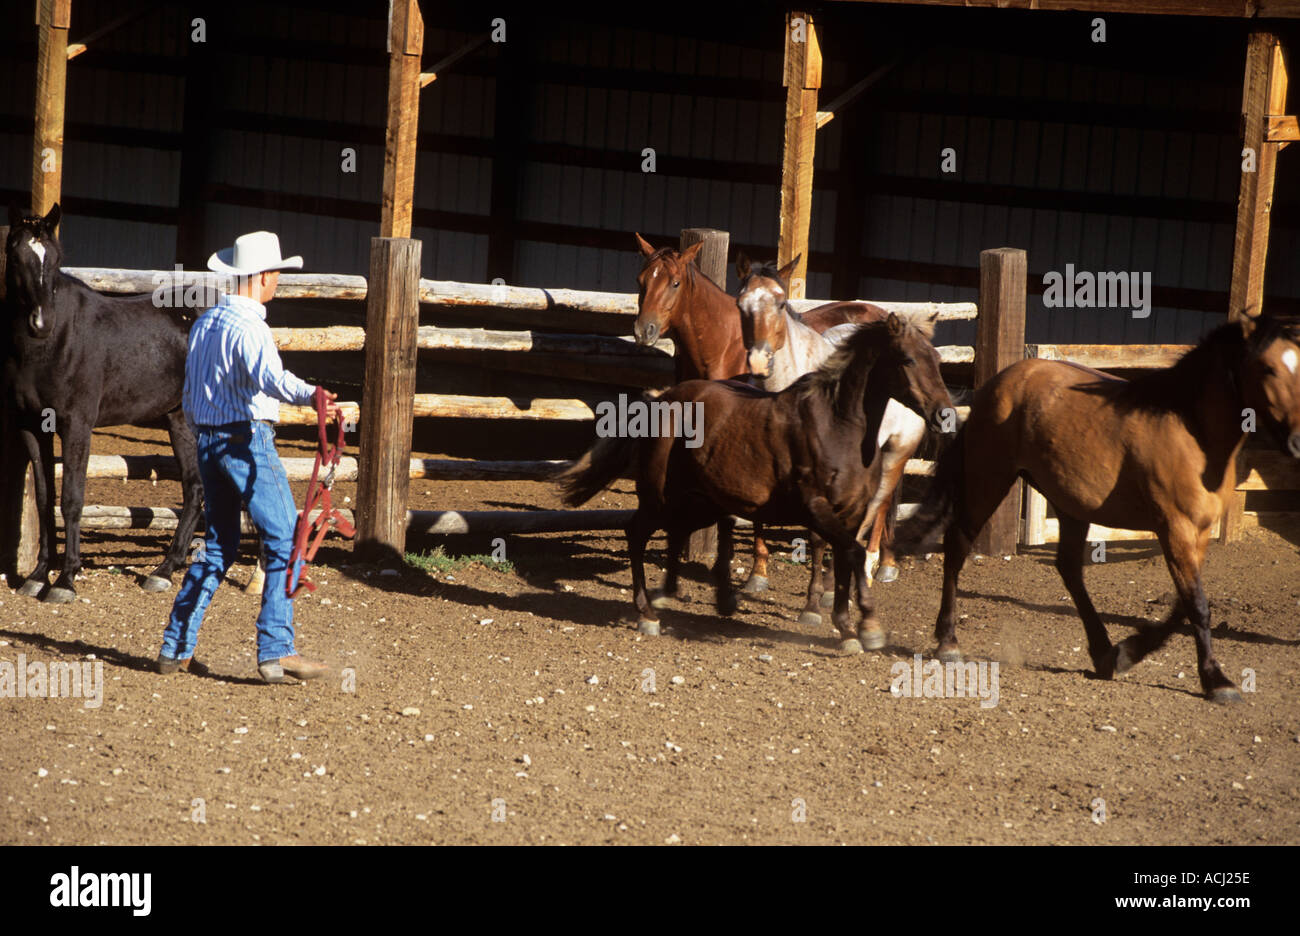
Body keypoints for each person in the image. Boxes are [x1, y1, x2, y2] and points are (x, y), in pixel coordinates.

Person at [158, 231, 337, 683]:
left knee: (218, 546)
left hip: (209, 444)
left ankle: (175, 647)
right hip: (247, 441)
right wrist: (312, 394)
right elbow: (272, 378)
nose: (277, 282)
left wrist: (205, 434)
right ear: (263, 276)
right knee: (286, 536)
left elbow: (189, 394)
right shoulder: (250, 327)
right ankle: (277, 648)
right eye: (276, 274)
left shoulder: (205, 323)